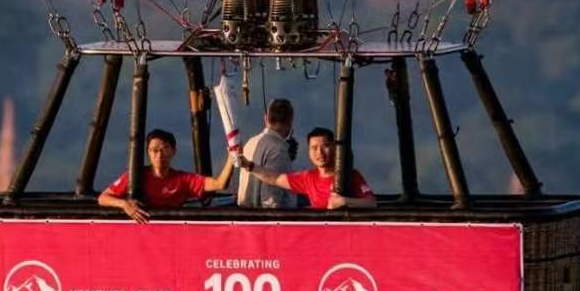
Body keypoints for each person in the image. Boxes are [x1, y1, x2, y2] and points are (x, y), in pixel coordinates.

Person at [99, 128, 235, 223]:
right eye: (154, 150)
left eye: (165, 149)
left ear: (173, 151)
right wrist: (124, 205)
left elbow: (220, 184)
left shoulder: (183, 180)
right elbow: (103, 198)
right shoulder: (135, 176)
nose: (159, 154)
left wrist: (231, 157)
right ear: (148, 153)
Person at [237, 127, 376, 210]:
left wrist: (344, 202)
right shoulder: (308, 178)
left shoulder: (351, 175)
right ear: (309, 151)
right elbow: (275, 178)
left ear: (334, 148)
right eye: (314, 148)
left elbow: (371, 203)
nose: (320, 153)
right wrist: (249, 166)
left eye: (325, 146)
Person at [235, 97, 297, 208]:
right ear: (290, 121)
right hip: (269, 221)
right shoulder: (278, 150)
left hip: (246, 216)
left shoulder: (250, 142)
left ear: (266, 119)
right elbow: (271, 199)